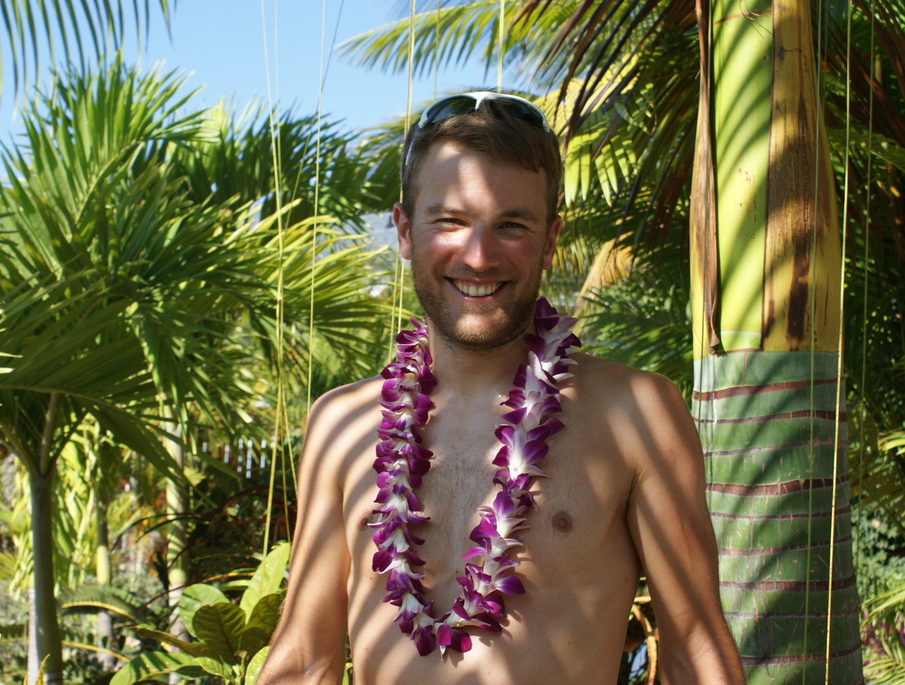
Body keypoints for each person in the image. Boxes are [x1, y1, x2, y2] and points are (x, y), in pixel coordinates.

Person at [258, 91, 744, 684]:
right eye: (450, 221)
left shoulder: (634, 415)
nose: (479, 256)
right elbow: (305, 659)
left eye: (511, 225)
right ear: (405, 231)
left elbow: (696, 652)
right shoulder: (340, 423)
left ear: (550, 239)